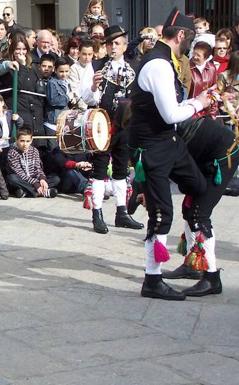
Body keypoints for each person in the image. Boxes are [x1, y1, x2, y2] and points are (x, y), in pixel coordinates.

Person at [128, 8, 211, 301]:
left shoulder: (167, 60)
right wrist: (199, 103)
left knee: (200, 188)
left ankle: (196, 256)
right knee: (162, 215)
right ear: (180, 36)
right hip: (152, 147)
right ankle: (152, 279)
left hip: (169, 143)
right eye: (190, 39)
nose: (191, 46)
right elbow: (171, 114)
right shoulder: (159, 65)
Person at [87, 25, 143, 234]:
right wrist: (93, 86)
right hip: (103, 124)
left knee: (121, 169)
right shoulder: (96, 66)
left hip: (125, 125)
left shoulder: (134, 67)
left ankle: (122, 212)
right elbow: (85, 98)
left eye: (117, 43)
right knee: (99, 170)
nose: (113, 47)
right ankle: (97, 214)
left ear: (125, 46)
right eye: (109, 43)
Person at [6, 129, 59, 198]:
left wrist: (42, 179)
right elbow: (20, 173)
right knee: (12, 178)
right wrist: (36, 184)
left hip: (33, 179)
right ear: (17, 140)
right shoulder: (12, 153)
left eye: (27, 141)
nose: (25, 144)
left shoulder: (34, 151)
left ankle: (26, 192)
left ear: (31, 141)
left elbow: (38, 168)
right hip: (22, 180)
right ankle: (42, 192)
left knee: (56, 179)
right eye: (22, 141)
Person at [0, 94, 24, 162]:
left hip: (9, 143)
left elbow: (21, 125)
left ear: (2, 103)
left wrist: (18, 119)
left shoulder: (9, 113)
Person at [189, 41, 217, 118]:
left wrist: (213, 112)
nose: (194, 57)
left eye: (198, 55)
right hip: (191, 111)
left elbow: (213, 91)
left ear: (206, 57)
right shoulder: (187, 67)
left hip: (206, 112)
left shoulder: (212, 68)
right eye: (194, 53)